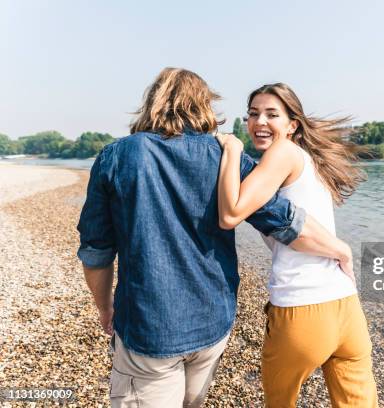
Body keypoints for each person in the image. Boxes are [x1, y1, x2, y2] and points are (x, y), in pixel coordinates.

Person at [77, 68, 355, 408]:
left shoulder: (117, 156)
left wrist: (105, 307)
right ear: (205, 106)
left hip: (148, 325)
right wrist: (340, 248)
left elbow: (96, 250)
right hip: (212, 322)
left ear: (153, 102)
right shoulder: (225, 157)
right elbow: (285, 222)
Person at [216, 83, 378, 407]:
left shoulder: (283, 152)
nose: (259, 121)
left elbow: (231, 213)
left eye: (271, 114)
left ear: (292, 125)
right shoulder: (308, 160)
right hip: (346, 306)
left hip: (301, 309)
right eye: (253, 114)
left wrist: (232, 151)